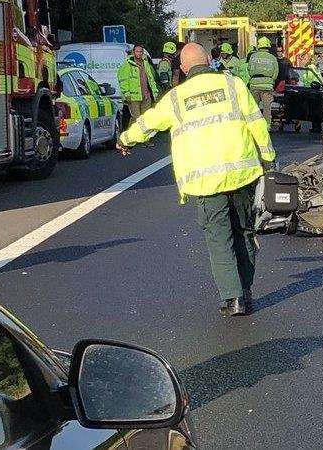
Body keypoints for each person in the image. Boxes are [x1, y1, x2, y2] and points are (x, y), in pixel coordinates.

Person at [116, 43, 275, 317]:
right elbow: (257, 123)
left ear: (184, 67)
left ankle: (232, 298)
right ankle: (246, 291)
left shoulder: (177, 97)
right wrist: (268, 158)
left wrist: (125, 139)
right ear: (208, 62)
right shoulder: (234, 85)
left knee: (219, 239)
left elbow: (149, 122)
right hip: (241, 176)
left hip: (206, 183)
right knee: (244, 233)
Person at [117, 45, 160, 143]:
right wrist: (126, 93)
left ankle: (145, 139)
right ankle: (127, 138)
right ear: (133, 52)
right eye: (137, 51)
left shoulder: (145, 63)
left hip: (146, 95)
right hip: (134, 96)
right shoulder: (127, 64)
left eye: (141, 52)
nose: (139, 53)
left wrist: (154, 91)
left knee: (145, 118)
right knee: (136, 118)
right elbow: (122, 79)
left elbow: (150, 78)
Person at [247, 36, 279, 125]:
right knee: (267, 108)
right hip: (267, 86)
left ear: (259, 46)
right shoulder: (272, 58)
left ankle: (254, 125)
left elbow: (249, 70)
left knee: (254, 108)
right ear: (268, 46)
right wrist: (270, 81)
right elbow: (275, 73)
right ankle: (267, 126)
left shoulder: (253, 56)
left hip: (254, 85)